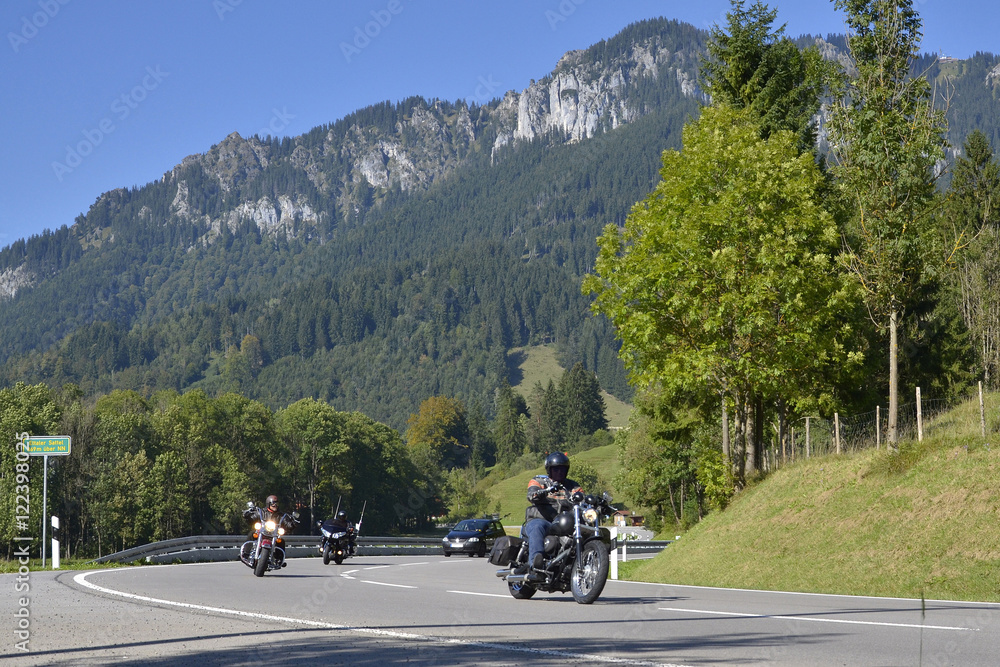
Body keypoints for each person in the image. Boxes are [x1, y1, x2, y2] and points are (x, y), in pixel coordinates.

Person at [517, 452, 582, 580]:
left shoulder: (573, 486)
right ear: (549, 470)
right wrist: (544, 491)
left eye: (562, 469)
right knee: (537, 527)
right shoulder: (539, 480)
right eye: (556, 469)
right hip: (542, 519)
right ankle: (536, 564)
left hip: (563, 523)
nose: (559, 472)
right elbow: (531, 494)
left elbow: (581, 499)